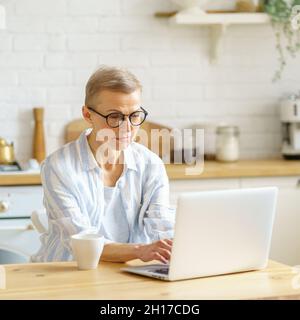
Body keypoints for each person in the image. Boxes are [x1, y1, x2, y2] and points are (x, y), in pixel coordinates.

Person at [31, 65, 175, 264]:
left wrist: (176, 245)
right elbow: (82, 242)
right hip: (68, 273)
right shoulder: (58, 167)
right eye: (114, 117)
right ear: (88, 115)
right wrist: (141, 250)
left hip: (127, 274)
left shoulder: (151, 165)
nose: (127, 128)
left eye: (134, 116)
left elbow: (162, 228)